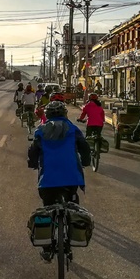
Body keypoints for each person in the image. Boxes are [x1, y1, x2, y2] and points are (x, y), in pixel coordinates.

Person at [27, 100, 91, 261]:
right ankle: (70, 238)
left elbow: (33, 151)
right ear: (65, 114)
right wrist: (85, 161)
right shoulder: (73, 129)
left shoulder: (40, 130)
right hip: (71, 178)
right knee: (72, 204)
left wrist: (33, 164)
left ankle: (47, 248)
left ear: (47, 115)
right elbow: (84, 146)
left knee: (47, 210)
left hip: (47, 179)